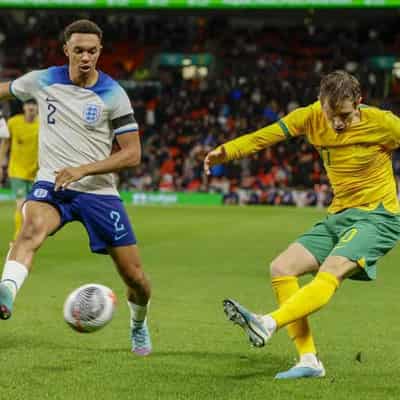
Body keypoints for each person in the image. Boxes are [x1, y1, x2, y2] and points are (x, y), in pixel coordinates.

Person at [204, 70, 400, 379]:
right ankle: (308, 360)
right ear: (320, 103)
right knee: (282, 268)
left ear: (359, 103)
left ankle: (267, 323)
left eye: (345, 116)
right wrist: (227, 151)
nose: (337, 123)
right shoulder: (310, 117)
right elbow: (266, 135)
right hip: (340, 215)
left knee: (330, 271)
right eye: (330, 113)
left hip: (378, 216)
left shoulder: (384, 123)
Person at [0, 19, 152, 356]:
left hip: (98, 192)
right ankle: (5, 293)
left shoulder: (114, 94)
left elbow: (132, 154)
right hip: (52, 184)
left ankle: (138, 323)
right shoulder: (42, 80)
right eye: (79, 50)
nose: (86, 57)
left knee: (135, 278)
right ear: (66, 49)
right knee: (31, 228)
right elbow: (4, 88)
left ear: (100, 52)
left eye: (92, 51)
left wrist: (83, 169)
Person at [0, 99, 39, 241]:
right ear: (23, 107)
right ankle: (18, 238)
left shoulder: (43, 125)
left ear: (38, 108)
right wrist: (1, 165)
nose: (31, 107)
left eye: (34, 105)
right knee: (21, 203)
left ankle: (28, 235)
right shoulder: (14, 123)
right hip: (17, 171)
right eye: (29, 105)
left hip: (36, 173)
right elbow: (5, 144)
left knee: (32, 207)